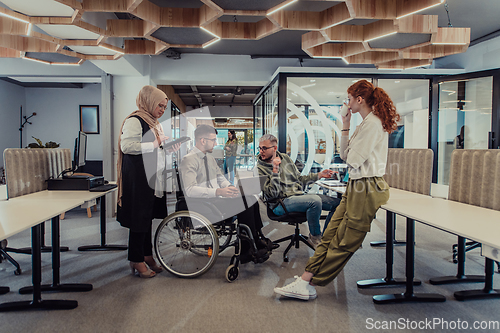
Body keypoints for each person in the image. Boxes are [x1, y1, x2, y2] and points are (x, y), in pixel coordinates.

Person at [274, 79, 398, 300]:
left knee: (345, 241)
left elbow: (353, 159)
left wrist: (350, 151)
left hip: (367, 186)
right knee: (330, 235)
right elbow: (344, 156)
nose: (347, 103)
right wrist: (345, 123)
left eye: (349, 99)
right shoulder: (364, 122)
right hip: (357, 185)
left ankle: (310, 281)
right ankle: (304, 281)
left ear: (359, 100)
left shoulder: (373, 123)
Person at [180, 124, 273, 263]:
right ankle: (247, 249)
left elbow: (220, 178)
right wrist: (218, 191)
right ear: (202, 140)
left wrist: (230, 188)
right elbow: (190, 190)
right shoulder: (189, 159)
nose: (216, 143)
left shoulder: (209, 158)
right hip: (202, 204)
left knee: (250, 199)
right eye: (213, 140)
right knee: (245, 203)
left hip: (214, 200)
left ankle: (256, 238)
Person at [116, 85, 180, 278]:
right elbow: (127, 146)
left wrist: (167, 148)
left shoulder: (153, 122)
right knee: (139, 219)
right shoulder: (135, 120)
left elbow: (155, 149)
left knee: (147, 218)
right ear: (149, 102)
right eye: (159, 105)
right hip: (139, 177)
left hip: (151, 177)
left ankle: (146, 255)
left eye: (164, 107)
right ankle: (136, 259)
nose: (161, 110)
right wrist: (155, 143)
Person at [257, 134, 340, 248]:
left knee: (338, 204)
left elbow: (300, 179)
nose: (261, 151)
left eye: (264, 148)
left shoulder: (285, 158)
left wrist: (319, 175)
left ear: (275, 148)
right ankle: (315, 237)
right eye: (260, 148)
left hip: (297, 196)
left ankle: (326, 239)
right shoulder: (259, 169)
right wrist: (275, 170)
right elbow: (272, 194)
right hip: (279, 203)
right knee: (314, 201)